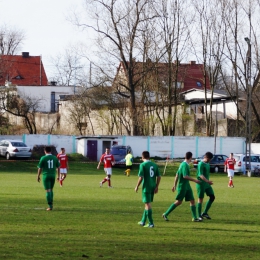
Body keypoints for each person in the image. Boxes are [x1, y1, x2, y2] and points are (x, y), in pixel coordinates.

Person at [162, 152, 202, 222]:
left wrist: (174, 185)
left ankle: (194, 218)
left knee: (192, 200)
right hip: (182, 186)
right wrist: (195, 180)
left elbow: (177, 175)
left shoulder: (182, 164)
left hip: (187, 186)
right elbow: (185, 176)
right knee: (179, 202)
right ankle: (165, 214)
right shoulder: (185, 165)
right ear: (191, 157)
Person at [135, 151, 161, 228]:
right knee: (147, 203)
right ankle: (143, 221)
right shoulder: (154, 165)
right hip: (153, 186)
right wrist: (157, 186)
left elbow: (141, 177)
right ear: (149, 156)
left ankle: (151, 223)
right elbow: (159, 176)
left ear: (142, 157)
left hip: (146, 186)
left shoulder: (143, 165)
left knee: (147, 204)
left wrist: (137, 186)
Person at [37, 146, 60, 211]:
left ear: (45, 151)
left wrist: (38, 176)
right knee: (51, 190)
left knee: (48, 190)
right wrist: (58, 176)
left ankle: (50, 206)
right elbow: (58, 167)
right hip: (53, 175)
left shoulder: (43, 158)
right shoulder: (55, 158)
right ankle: (51, 204)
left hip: (46, 175)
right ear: (51, 151)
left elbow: (40, 168)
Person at [196, 152, 214, 220]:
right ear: (206, 157)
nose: (210, 160)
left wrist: (207, 182)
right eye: (209, 159)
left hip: (207, 184)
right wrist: (207, 181)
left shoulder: (207, 163)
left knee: (212, 197)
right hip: (201, 184)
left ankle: (205, 213)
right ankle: (199, 215)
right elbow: (200, 175)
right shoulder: (201, 164)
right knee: (200, 199)